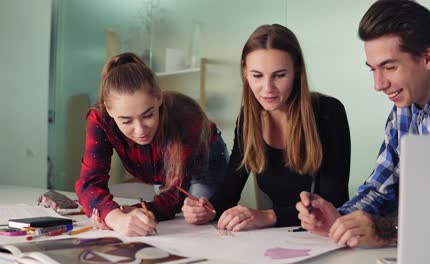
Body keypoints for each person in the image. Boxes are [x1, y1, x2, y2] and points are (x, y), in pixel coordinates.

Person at [297, 0, 430, 248]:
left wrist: (390, 229)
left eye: (389, 67)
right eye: (373, 70)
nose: (378, 84)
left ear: (427, 58)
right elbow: (381, 188)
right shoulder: (401, 113)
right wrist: (341, 219)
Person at [181, 24, 351, 231]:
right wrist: (206, 208)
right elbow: (228, 193)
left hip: (326, 235)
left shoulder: (328, 112)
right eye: (257, 76)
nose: (267, 89)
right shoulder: (247, 120)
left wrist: (268, 215)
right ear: (245, 72)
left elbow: (334, 200)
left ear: (297, 70)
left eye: (279, 75)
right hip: (279, 237)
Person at [75, 52, 228, 236]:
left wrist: (134, 211)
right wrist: (116, 217)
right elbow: (89, 183)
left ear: (158, 98)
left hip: (205, 159)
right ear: (109, 110)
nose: (140, 131)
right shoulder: (99, 119)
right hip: (163, 171)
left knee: (199, 218)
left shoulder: (186, 117)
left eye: (148, 115)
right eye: (126, 121)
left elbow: (174, 198)